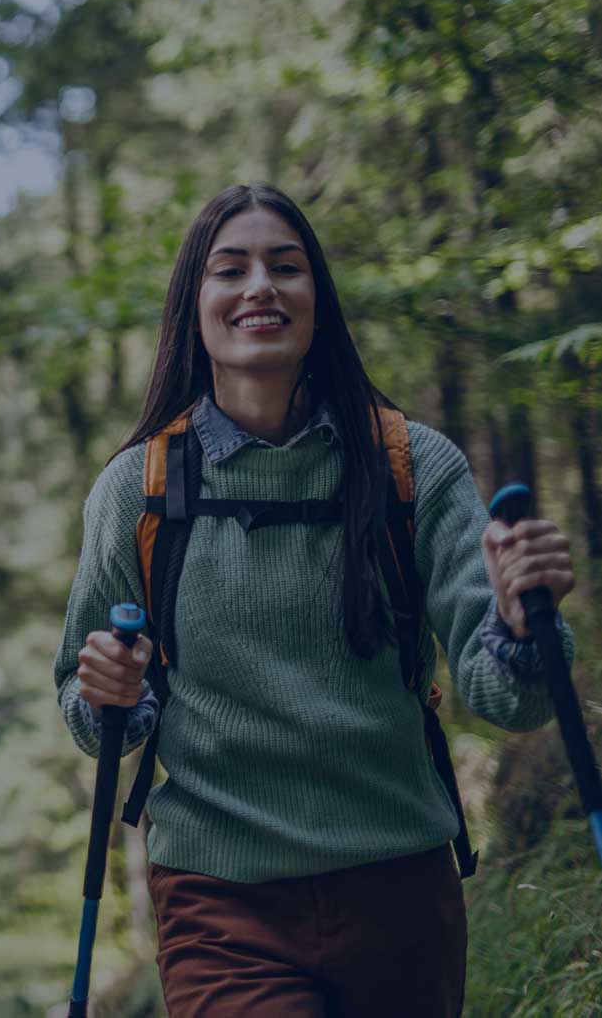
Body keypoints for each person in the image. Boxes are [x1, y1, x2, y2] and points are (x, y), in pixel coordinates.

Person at [53, 183, 577, 1016]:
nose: (259, 286)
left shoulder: (413, 467)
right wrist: (109, 693)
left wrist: (520, 625)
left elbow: (509, 699)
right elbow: (90, 713)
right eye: (231, 269)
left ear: (318, 302)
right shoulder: (138, 490)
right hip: (219, 903)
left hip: (399, 888)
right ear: (193, 308)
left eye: (285, 267)